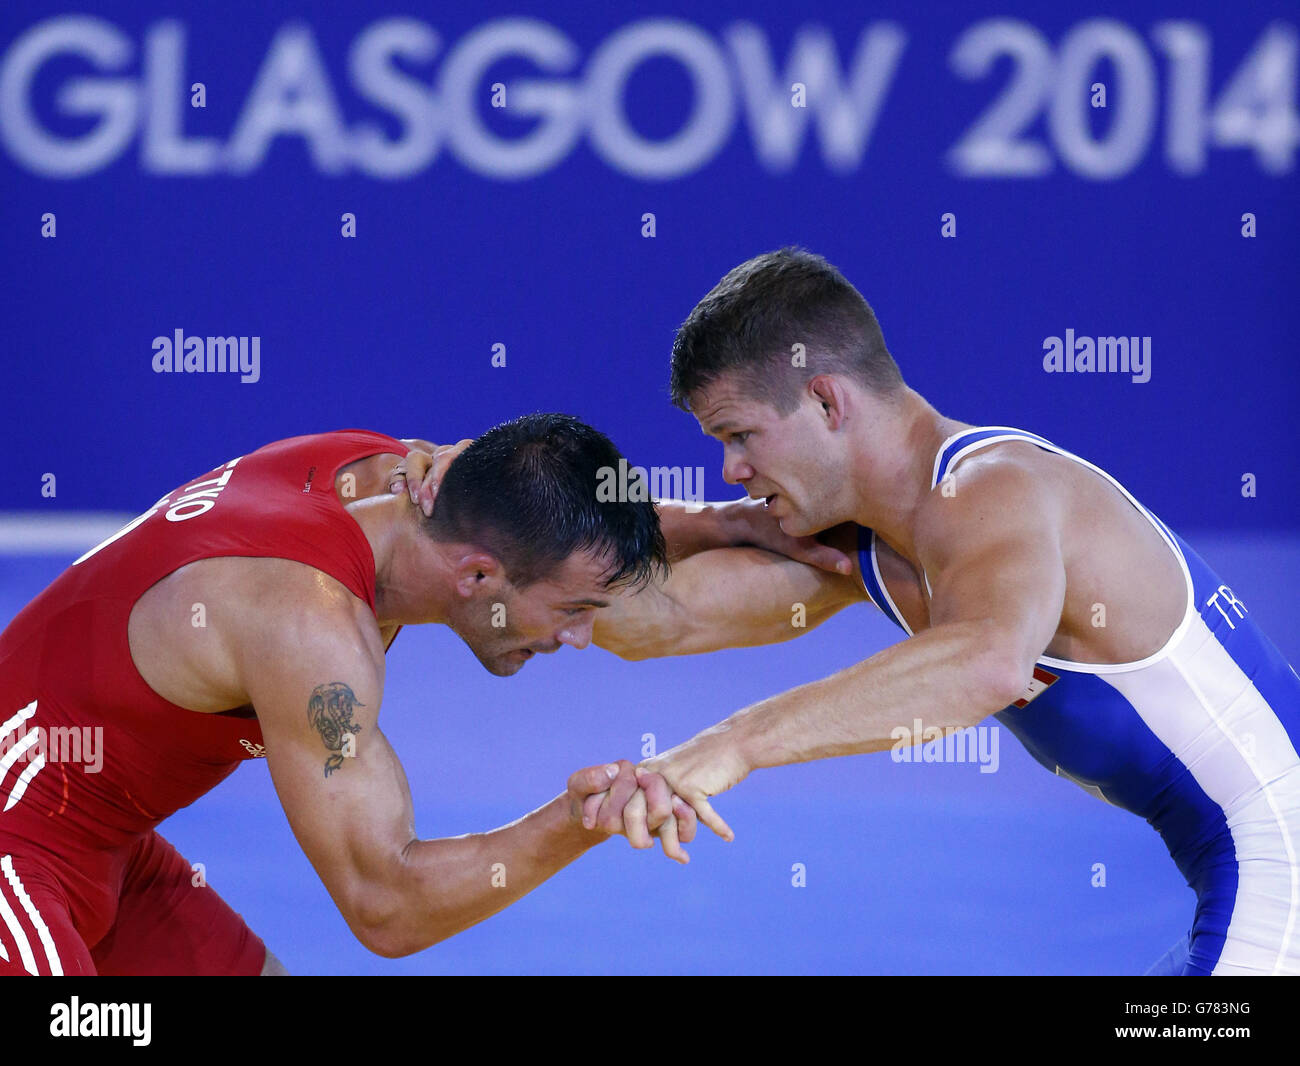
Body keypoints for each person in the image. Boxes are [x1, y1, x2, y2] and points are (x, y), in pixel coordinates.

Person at [593, 247, 1300, 976]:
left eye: (739, 435)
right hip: (1240, 868)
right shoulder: (869, 545)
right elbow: (666, 617)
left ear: (828, 403)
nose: (731, 470)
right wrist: (493, 577)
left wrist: (735, 743)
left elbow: (986, 662)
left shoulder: (995, 490)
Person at [0, 413, 842, 975]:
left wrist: (718, 522)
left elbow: (546, 508)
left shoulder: (403, 484)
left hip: (99, 832)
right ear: (478, 575)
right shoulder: (311, 630)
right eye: (577, 613)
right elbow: (386, 907)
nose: (581, 639)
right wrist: (572, 820)